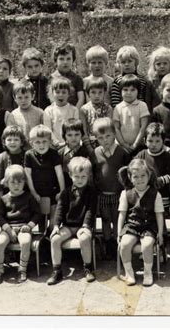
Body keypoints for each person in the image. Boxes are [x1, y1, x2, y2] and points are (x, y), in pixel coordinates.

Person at [47, 157, 97, 285]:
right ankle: (56, 270)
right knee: (55, 239)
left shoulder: (91, 193)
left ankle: (88, 268)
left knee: (85, 239)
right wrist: (57, 226)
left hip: (83, 226)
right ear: (70, 175)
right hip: (68, 226)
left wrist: (86, 226)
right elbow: (59, 210)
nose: (80, 180)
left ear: (88, 176)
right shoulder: (66, 193)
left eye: (83, 177)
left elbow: (90, 211)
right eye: (77, 176)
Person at [117, 159, 164, 286]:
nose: (140, 179)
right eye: (136, 176)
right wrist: (119, 233)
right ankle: (129, 272)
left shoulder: (155, 194)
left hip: (149, 226)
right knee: (125, 244)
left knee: (147, 245)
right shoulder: (126, 194)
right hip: (132, 225)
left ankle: (148, 272)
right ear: (130, 177)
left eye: (143, 175)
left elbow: (159, 215)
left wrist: (160, 233)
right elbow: (122, 214)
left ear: (149, 176)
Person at [0, 165, 42, 285]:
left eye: (20, 182)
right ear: (7, 183)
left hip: (24, 227)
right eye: (12, 182)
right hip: (8, 228)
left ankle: (22, 269)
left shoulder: (29, 197)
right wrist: (9, 230)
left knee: (25, 243)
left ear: (24, 182)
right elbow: (0, 217)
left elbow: (37, 214)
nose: (16, 185)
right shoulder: (3, 199)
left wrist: (29, 226)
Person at [90, 117, 131, 259]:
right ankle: (108, 245)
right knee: (106, 219)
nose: (105, 140)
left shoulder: (122, 152)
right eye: (101, 138)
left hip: (118, 194)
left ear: (114, 134)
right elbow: (94, 173)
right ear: (96, 139)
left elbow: (127, 175)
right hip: (102, 194)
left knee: (117, 219)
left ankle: (117, 242)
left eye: (108, 136)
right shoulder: (95, 153)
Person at [24, 125, 65, 233]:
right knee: (41, 221)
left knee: (53, 222)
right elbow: (28, 175)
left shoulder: (53, 154)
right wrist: (33, 192)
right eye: (37, 142)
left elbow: (59, 173)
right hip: (38, 193)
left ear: (50, 141)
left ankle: (50, 238)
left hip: (53, 191)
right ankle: (43, 243)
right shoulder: (29, 155)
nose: (41, 145)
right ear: (31, 143)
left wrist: (62, 191)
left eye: (44, 141)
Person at [135, 123, 170, 214]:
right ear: (145, 141)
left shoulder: (167, 157)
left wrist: (161, 180)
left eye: (157, 141)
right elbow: (133, 168)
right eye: (150, 141)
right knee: (146, 216)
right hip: (145, 192)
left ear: (163, 141)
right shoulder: (141, 154)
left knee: (161, 216)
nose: (154, 144)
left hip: (162, 194)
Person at [109, 45, 160, 112]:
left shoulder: (144, 81)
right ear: (119, 64)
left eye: (129, 61)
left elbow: (147, 100)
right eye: (123, 62)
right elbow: (115, 103)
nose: (126, 64)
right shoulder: (117, 81)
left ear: (136, 62)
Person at [112, 74, 150, 156]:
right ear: (120, 91)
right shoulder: (118, 108)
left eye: (133, 90)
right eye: (125, 90)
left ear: (138, 91)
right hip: (121, 146)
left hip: (139, 145)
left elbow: (143, 127)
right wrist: (123, 144)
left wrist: (135, 144)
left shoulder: (142, 105)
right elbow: (116, 128)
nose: (129, 93)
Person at [43, 76, 79, 148]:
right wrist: (56, 143)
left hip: (71, 145)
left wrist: (69, 143)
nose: (60, 95)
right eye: (57, 92)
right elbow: (48, 129)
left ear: (69, 94)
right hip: (54, 146)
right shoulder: (48, 111)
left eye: (64, 92)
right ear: (52, 93)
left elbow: (76, 129)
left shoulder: (74, 110)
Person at [79, 76, 113, 153]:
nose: (97, 95)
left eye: (100, 92)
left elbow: (110, 129)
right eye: (93, 92)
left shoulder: (108, 108)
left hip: (106, 145)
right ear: (88, 93)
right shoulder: (84, 109)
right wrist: (89, 148)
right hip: (89, 145)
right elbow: (83, 131)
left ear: (104, 93)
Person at [50, 43, 85, 108]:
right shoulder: (51, 78)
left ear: (73, 60)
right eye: (61, 59)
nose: (65, 62)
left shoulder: (77, 78)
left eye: (68, 59)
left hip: (72, 113)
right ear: (56, 60)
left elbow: (81, 99)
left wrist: (74, 112)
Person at [58, 120, 91, 187]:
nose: (73, 138)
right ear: (64, 136)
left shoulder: (86, 152)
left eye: (77, 134)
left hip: (84, 190)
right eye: (69, 135)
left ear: (82, 134)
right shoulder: (60, 153)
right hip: (66, 190)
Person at [0, 125, 27, 196]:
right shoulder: (2, 156)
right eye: (9, 140)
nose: (12, 142)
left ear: (22, 142)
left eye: (16, 139)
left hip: (24, 190)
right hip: (7, 192)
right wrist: (0, 195)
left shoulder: (26, 155)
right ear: (4, 142)